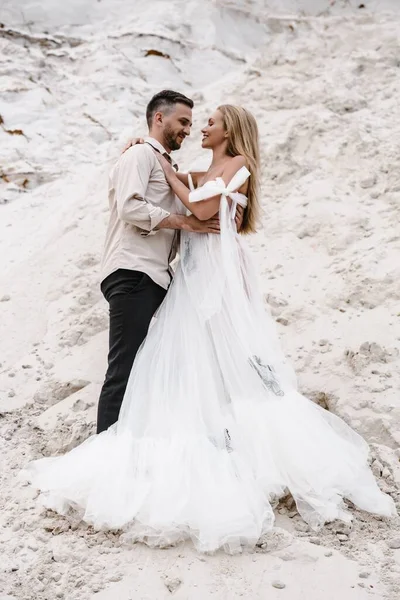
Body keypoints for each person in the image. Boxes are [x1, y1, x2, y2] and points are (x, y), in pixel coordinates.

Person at [24, 104, 396, 554]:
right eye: (194, 121)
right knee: (184, 359)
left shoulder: (239, 164)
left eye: (211, 122)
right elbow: (185, 192)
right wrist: (155, 159)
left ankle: (228, 449)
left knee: (224, 355)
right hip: (189, 271)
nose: (202, 127)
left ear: (230, 130)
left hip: (215, 271)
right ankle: (174, 443)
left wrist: (161, 162)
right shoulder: (204, 166)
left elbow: (197, 203)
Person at [96, 89, 235, 434]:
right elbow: (130, 207)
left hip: (156, 276)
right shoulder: (140, 155)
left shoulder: (163, 163)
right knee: (124, 369)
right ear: (160, 118)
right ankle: (104, 452)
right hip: (132, 271)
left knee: (158, 362)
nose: (189, 130)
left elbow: (209, 182)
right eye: (183, 121)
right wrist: (187, 222)